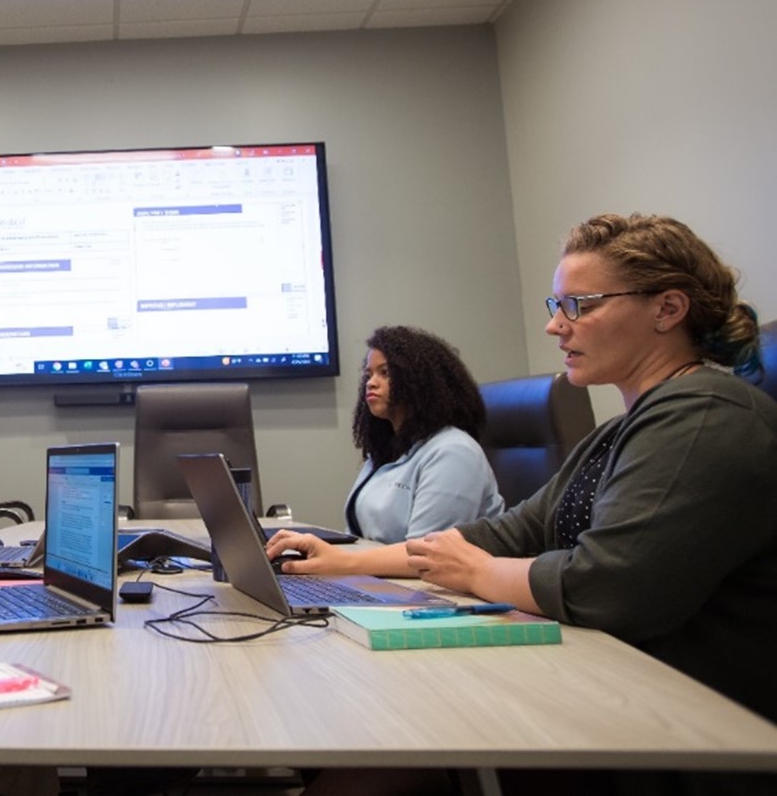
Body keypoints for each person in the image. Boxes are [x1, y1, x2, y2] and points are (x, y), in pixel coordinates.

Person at [270, 213, 777, 796]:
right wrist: (339, 561)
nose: (554, 326)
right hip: (601, 691)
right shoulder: (623, 431)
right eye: (555, 305)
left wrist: (479, 573)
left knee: (375, 748)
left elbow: (604, 585)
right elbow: (506, 533)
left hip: (675, 733)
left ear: (667, 309)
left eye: (578, 305)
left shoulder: (705, 417)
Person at [343, 326, 503, 543]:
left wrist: (340, 562)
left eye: (385, 373)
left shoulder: (454, 452)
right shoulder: (385, 452)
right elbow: (356, 538)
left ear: (418, 381)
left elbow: (426, 555)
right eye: (369, 374)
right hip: (378, 575)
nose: (371, 383)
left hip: (426, 576)